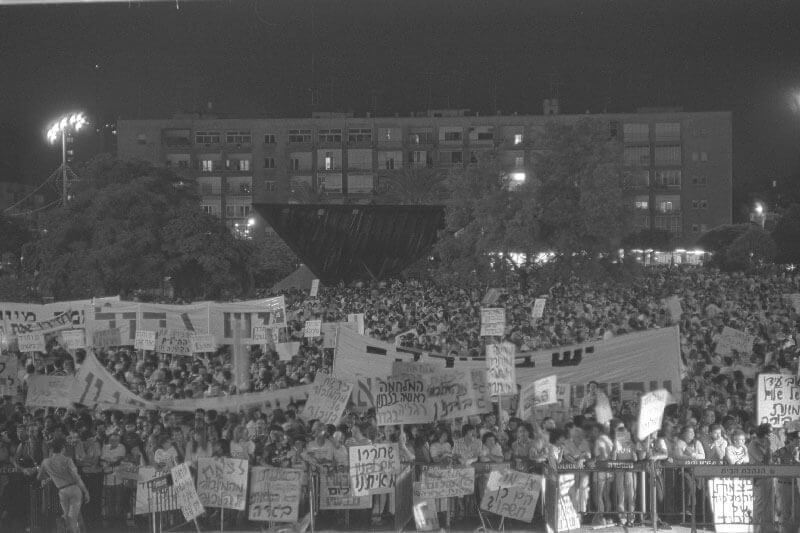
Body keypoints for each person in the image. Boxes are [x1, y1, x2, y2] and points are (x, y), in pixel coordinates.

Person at [37, 437, 90, 533]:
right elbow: (77, 478)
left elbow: (39, 477)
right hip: (74, 489)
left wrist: (51, 477)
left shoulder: (45, 462)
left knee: (68, 519)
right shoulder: (67, 460)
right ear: (63, 448)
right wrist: (86, 491)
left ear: (52, 449)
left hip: (62, 491)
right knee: (74, 519)